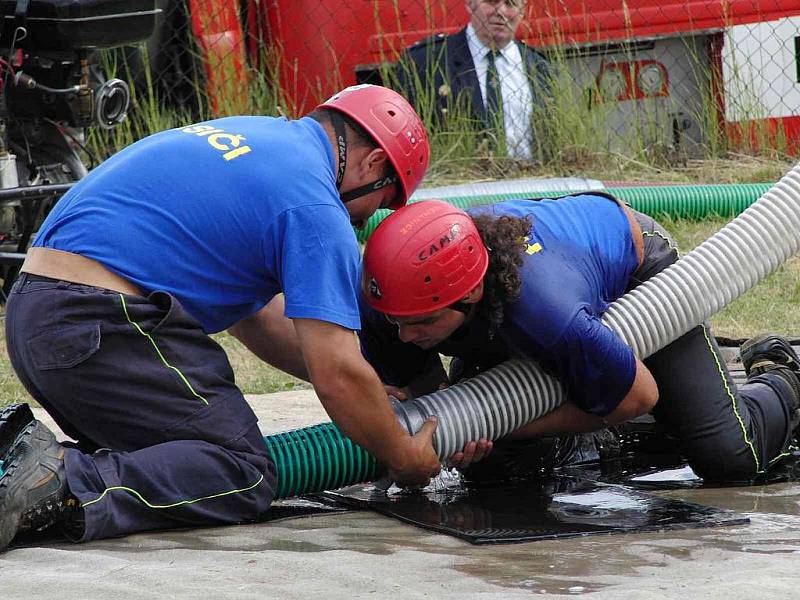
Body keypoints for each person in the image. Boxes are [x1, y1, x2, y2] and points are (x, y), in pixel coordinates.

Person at [0, 84, 443, 551]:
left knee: (168, 460)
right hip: (97, 321)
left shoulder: (260, 138)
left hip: (40, 317)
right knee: (241, 469)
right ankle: (56, 482)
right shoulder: (314, 203)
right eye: (383, 202)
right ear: (372, 164)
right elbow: (336, 373)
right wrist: (403, 453)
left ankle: (18, 465)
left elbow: (259, 318)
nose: (369, 217)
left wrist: (371, 390)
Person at [357, 196, 800, 481]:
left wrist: (503, 422)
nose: (404, 334)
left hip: (635, 279)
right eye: (394, 320)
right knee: (497, 470)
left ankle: (784, 375)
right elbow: (431, 405)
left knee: (731, 456)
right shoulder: (388, 300)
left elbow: (638, 395)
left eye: (421, 323)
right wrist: (456, 434)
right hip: (517, 310)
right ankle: (623, 419)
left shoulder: (546, 314)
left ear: (469, 294)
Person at [395, 0, 552, 161]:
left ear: (522, 10)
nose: (501, 11)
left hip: (530, 180)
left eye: (510, 3)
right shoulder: (426, 62)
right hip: (459, 182)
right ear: (470, 4)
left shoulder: (538, 66)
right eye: (491, 2)